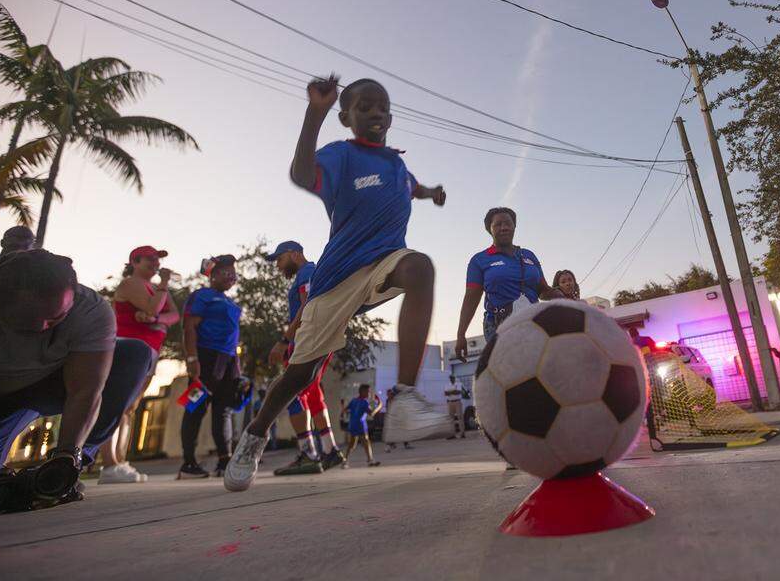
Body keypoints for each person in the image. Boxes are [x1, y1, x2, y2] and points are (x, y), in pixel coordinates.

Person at [225, 76, 451, 492]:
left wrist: (432, 191)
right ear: (346, 117)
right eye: (365, 106)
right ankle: (253, 436)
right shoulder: (342, 156)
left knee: (420, 268)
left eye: (382, 106)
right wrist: (315, 113)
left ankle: (402, 397)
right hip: (337, 279)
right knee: (300, 376)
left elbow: (412, 187)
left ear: (391, 116)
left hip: (385, 263)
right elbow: (301, 173)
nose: (376, 112)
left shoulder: (398, 166)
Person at [0, 251, 151, 510]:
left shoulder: (89, 309)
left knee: (133, 355)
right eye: (25, 320)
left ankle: (65, 472)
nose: (41, 328)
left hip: (44, 386)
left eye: (54, 319)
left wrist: (66, 457)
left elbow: (86, 392)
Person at [98, 245, 180, 484]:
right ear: (135, 261)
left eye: (158, 260)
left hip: (150, 351)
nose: (156, 263)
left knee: (130, 407)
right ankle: (108, 463)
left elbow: (173, 315)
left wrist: (156, 319)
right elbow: (153, 306)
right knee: (116, 402)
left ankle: (119, 461)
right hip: (128, 349)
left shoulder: (157, 289)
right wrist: (161, 292)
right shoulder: (131, 283)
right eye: (150, 259)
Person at [263, 240, 344, 476]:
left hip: (308, 340)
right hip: (319, 339)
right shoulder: (312, 272)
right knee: (311, 392)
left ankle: (308, 454)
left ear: (294, 254)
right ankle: (329, 450)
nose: (277, 265)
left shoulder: (307, 272)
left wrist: (285, 340)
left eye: (279, 259)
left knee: (292, 392)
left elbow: (307, 306)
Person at [455, 207, 562, 359]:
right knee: (512, 372)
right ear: (489, 229)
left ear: (514, 226)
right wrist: (461, 334)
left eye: (508, 223)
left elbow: (542, 290)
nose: (504, 227)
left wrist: (558, 295)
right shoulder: (479, 260)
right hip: (499, 325)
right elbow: (471, 298)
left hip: (532, 323)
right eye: (498, 224)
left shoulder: (529, 255)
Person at [180, 254, 243, 478]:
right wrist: (191, 359)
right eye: (226, 272)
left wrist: (238, 366)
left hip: (228, 362)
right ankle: (188, 464)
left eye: (234, 273)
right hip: (205, 358)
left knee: (223, 411)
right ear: (213, 275)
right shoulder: (201, 296)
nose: (231, 277)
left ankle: (224, 461)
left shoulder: (231, 303)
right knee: (194, 407)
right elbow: (189, 327)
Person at [343, 384, 380, 467]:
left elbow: (345, 410)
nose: (369, 394)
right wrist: (379, 405)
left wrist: (350, 413)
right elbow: (371, 413)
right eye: (368, 392)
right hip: (361, 425)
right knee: (366, 442)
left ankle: (345, 461)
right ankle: (370, 460)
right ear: (362, 392)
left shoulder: (353, 401)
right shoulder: (364, 402)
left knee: (352, 444)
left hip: (352, 424)